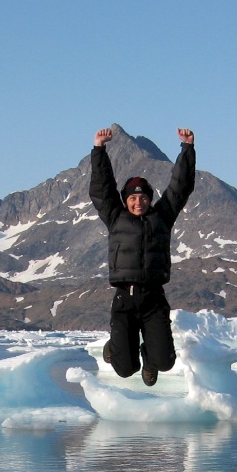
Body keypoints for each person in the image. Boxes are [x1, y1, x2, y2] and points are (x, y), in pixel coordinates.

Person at [89, 126, 196, 386]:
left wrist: (187, 149)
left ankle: (150, 357)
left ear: (150, 199)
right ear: (126, 200)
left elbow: (180, 188)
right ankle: (115, 345)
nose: (139, 202)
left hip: (153, 299)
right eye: (133, 197)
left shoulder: (162, 217)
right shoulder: (115, 217)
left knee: (166, 362)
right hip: (125, 299)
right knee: (125, 370)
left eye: (144, 197)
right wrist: (99, 149)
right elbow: (102, 189)